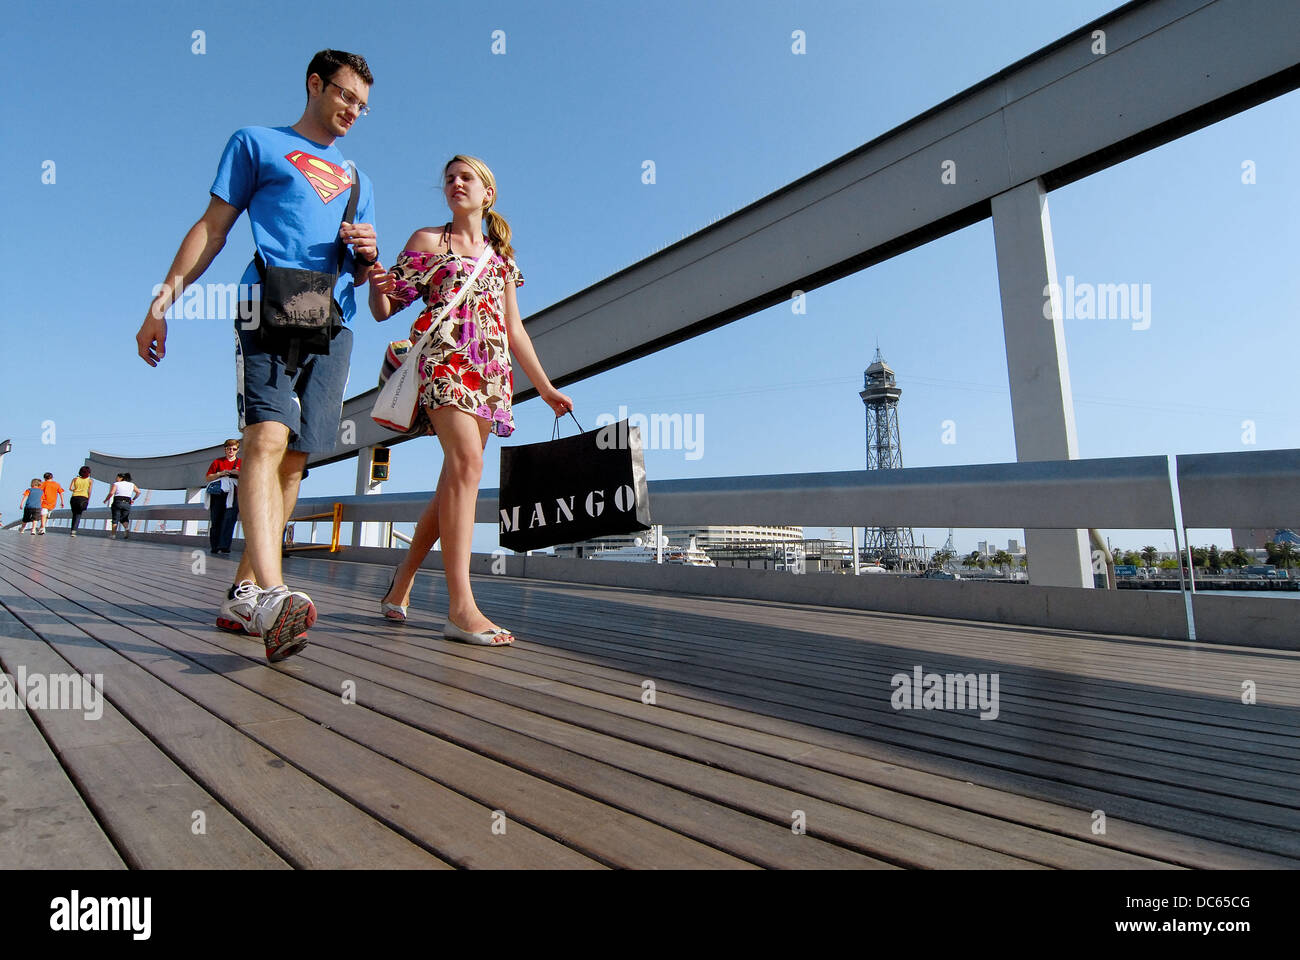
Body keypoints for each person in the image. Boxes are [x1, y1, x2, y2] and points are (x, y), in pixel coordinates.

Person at [134, 50, 380, 662]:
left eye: (363, 105)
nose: (353, 110)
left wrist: (370, 253)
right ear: (314, 84)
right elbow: (212, 228)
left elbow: (369, 274)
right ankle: (272, 592)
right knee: (265, 437)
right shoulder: (256, 143)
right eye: (346, 95)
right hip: (265, 303)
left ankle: (244, 591)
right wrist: (162, 302)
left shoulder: (360, 180)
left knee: (296, 458)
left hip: (336, 320)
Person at [369, 155, 572, 645]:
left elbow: (513, 327)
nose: (456, 184)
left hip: (489, 372)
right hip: (444, 362)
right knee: (467, 465)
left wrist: (544, 387)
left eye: (467, 178)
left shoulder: (500, 258)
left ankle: (401, 582)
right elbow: (384, 309)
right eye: (449, 179)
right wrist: (375, 283)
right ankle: (461, 607)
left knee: (454, 482)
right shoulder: (426, 241)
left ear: (488, 193)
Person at [204, 439, 242, 554]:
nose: (231, 451)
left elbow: (248, 476)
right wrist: (220, 474)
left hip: (234, 494)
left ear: (237, 450)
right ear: (225, 449)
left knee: (229, 520)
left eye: (234, 449)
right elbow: (208, 477)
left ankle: (225, 546)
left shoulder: (241, 462)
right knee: (216, 520)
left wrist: (237, 473)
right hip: (218, 494)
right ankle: (215, 546)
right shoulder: (217, 462)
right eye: (229, 448)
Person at [104, 473, 140, 539]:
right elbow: (138, 492)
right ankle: (127, 528)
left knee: (115, 518)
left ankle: (113, 535)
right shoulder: (132, 484)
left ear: (121, 478)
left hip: (118, 502)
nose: (116, 479)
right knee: (124, 518)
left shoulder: (116, 484)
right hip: (127, 503)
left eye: (117, 477)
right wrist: (133, 499)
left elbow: (111, 493)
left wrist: (106, 500)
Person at [68, 467, 93, 537]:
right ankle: (74, 531)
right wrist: (88, 499)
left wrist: (76, 489)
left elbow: (70, 488)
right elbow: (89, 491)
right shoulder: (90, 480)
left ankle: (72, 529)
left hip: (74, 497)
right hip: (83, 498)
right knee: (78, 515)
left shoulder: (75, 479)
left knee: (74, 514)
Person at [38, 471, 64, 535]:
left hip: (44, 502)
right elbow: (61, 493)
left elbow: (38, 492)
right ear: (52, 477)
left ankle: (42, 527)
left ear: (44, 478)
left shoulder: (43, 484)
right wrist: (62, 502)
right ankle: (42, 528)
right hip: (52, 503)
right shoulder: (56, 484)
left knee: (44, 515)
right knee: (45, 515)